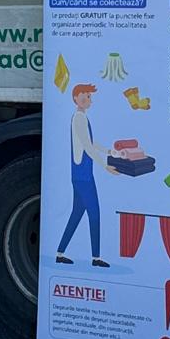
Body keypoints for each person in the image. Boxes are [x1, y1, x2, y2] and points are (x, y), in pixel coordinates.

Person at [56, 83, 111, 267]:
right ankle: (96, 258)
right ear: (75, 98)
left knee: (77, 213)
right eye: (85, 96)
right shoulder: (79, 118)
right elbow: (87, 146)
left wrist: (110, 152)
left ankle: (60, 253)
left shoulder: (81, 117)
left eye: (89, 97)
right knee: (94, 213)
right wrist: (105, 165)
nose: (88, 100)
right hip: (83, 175)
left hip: (82, 174)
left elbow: (90, 143)